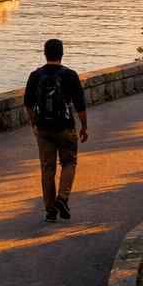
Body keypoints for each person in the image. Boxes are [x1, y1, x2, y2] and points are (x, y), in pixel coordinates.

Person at [24, 37, 89, 222]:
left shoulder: (35, 75)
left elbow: (28, 103)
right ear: (62, 54)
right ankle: (63, 197)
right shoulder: (70, 75)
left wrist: (34, 123)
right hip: (66, 127)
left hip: (44, 129)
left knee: (47, 169)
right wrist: (84, 127)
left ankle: (50, 211)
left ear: (45, 54)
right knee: (69, 162)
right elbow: (80, 104)